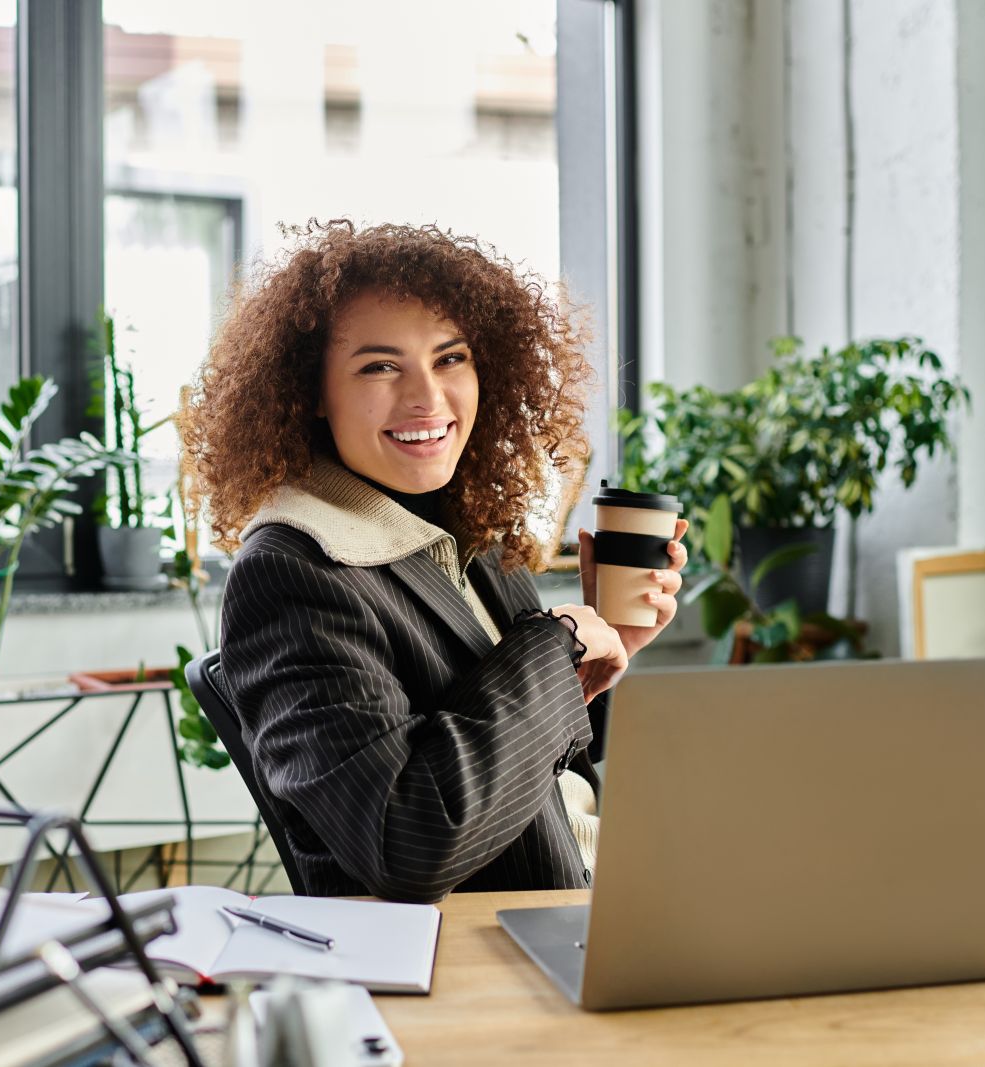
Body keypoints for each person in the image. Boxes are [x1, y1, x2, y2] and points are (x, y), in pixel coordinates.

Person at [179, 221, 689, 902]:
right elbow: (407, 840)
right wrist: (554, 644)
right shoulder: (293, 575)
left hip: (583, 904)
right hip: (468, 951)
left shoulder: (467, 528)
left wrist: (604, 646)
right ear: (311, 393)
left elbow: (525, 760)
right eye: (379, 366)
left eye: (451, 358)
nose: (427, 396)